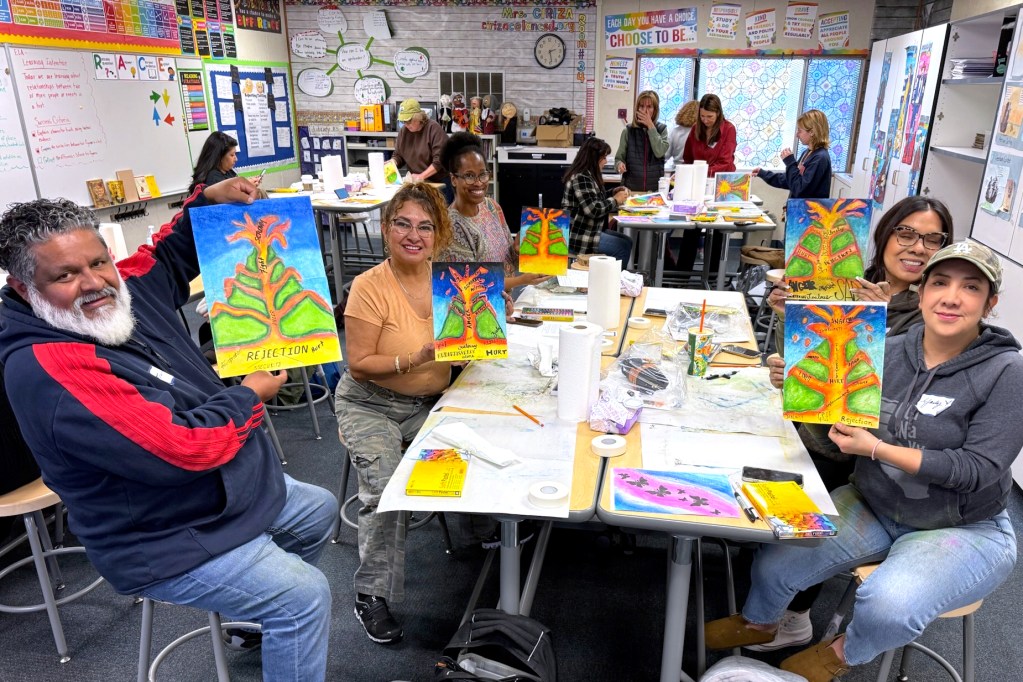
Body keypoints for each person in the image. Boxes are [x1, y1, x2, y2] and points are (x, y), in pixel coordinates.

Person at [0, 179, 337, 681]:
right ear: (24, 289)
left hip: (213, 496)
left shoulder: (118, 295)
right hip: (160, 536)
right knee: (302, 597)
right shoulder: (52, 368)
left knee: (318, 510)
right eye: (65, 275)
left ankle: (254, 620)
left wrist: (209, 199)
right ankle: (276, 613)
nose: (93, 282)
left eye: (98, 262)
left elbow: (166, 257)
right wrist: (248, 395)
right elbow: (183, 449)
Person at [706, 240, 1023, 682]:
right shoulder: (885, 348)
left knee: (888, 607)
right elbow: (835, 436)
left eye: (970, 287)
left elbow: (977, 470)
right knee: (777, 559)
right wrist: (801, 391)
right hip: (876, 502)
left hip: (963, 527)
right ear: (922, 292)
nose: (951, 297)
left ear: (990, 303)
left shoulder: (1007, 371)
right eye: (940, 283)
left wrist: (876, 449)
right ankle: (760, 624)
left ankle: (840, 652)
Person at [750, 196, 954, 651]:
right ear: (884, 235)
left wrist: (877, 328)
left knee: (808, 492)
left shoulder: (935, 311)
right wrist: (786, 338)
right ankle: (766, 578)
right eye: (906, 233)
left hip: (865, 454)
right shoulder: (847, 283)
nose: (917, 247)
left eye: (932, 239)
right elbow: (807, 361)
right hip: (813, 428)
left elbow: (901, 399)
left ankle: (796, 614)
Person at [335, 182, 457, 645]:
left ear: (438, 234)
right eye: (403, 223)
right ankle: (370, 595)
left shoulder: (450, 280)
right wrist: (419, 357)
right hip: (370, 404)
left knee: (481, 445)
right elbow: (360, 365)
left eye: (425, 226)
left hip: (429, 402)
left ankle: (483, 535)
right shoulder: (368, 287)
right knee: (385, 487)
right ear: (386, 228)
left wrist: (483, 331)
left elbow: (460, 350)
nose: (414, 235)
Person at [438, 132, 549, 290]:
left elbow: (509, 260)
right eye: (469, 176)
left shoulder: (491, 206)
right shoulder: (451, 227)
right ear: (454, 179)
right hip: (482, 305)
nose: (478, 183)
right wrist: (521, 280)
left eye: (483, 174)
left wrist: (518, 250)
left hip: (507, 301)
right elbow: (467, 286)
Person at [675, 94, 738, 275]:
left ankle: (712, 276)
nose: (706, 120)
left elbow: (726, 162)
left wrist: (701, 170)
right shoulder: (696, 129)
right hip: (698, 185)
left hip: (721, 184)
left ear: (718, 113)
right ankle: (682, 276)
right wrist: (689, 174)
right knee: (691, 228)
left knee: (718, 229)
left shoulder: (728, 129)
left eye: (710, 116)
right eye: (702, 116)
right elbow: (688, 157)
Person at [561, 136, 634, 263]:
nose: (606, 161)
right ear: (594, 158)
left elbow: (593, 198)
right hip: (578, 236)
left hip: (590, 230)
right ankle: (611, 276)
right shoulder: (581, 177)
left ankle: (611, 274)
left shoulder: (588, 175)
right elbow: (593, 209)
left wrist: (613, 192)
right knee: (621, 248)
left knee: (627, 241)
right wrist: (615, 200)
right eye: (604, 157)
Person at [752, 109, 832, 200]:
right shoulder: (808, 153)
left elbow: (800, 189)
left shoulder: (820, 158)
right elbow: (791, 180)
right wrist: (763, 174)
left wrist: (790, 162)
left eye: (800, 131)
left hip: (809, 209)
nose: (797, 135)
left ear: (812, 132)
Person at [393, 98, 452, 201]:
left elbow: (440, 160)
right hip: (418, 183)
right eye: (403, 121)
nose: (406, 124)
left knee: (439, 210)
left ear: (418, 117)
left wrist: (422, 175)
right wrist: (393, 162)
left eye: (409, 121)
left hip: (439, 182)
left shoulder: (433, 128)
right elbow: (399, 155)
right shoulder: (404, 131)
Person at [614, 90, 669, 192]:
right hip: (630, 189)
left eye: (649, 107)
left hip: (654, 191)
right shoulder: (628, 131)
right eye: (642, 106)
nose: (644, 110)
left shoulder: (662, 129)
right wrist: (619, 165)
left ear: (655, 110)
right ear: (637, 108)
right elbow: (618, 159)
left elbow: (659, 152)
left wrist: (651, 126)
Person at [189, 131, 255, 193]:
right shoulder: (213, 179)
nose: (236, 159)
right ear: (219, 157)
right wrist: (246, 187)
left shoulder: (228, 171)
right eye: (232, 155)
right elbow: (231, 196)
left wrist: (246, 183)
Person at [665, 99, 700, 169]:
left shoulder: (675, 131)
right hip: (696, 169)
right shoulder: (700, 132)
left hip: (677, 169)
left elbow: (665, 155)